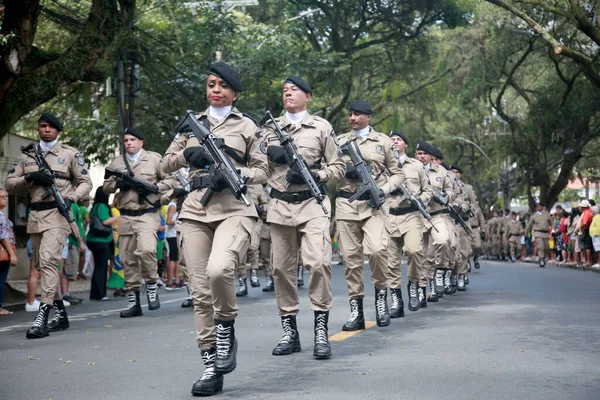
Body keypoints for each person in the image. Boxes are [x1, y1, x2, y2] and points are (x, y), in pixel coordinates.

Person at [162, 61, 268, 397]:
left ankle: (226, 326)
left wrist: (239, 175)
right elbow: (164, 163)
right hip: (195, 209)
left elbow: (263, 169)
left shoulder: (248, 126)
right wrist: (186, 156)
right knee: (199, 291)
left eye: (222, 85)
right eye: (210, 84)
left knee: (219, 270)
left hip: (234, 208)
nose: (215, 90)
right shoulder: (190, 127)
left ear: (235, 93)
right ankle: (210, 364)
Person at [262, 75, 345, 361]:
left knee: (318, 262)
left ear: (307, 96)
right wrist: (268, 154)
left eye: (294, 90)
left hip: (313, 203)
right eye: (284, 90)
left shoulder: (321, 127)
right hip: (280, 205)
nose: (288, 94)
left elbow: (338, 166)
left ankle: (320, 329)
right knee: (281, 270)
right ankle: (290, 331)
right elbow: (256, 165)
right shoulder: (269, 129)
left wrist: (317, 174)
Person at [5, 112, 92, 339]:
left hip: (58, 214)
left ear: (57, 131)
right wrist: (30, 179)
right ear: (38, 129)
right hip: (36, 216)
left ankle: (42, 316)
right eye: (42, 126)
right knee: (42, 266)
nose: (46, 130)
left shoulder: (69, 153)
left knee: (48, 260)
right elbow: (9, 184)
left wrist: (72, 198)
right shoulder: (27, 156)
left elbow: (85, 182)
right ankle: (61, 314)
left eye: (50, 127)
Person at [335, 102, 403, 331]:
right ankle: (357, 312)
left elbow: (398, 174)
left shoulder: (383, 142)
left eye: (357, 114)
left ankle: (381, 299)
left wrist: (382, 190)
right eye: (350, 114)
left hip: (374, 205)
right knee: (351, 260)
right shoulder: (339, 141)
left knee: (376, 250)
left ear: (369, 117)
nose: (352, 118)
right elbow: (330, 169)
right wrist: (345, 170)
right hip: (346, 203)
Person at [103, 127, 171, 318]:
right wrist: (118, 184)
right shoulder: (117, 162)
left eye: (133, 140)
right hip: (125, 216)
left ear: (141, 142)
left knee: (147, 249)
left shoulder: (154, 159)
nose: (129, 143)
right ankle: (134, 301)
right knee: (127, 259)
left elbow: (171, 182)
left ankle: (151, 283)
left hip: (147, 214)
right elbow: (106, 187)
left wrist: (153, 188)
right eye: (126, 140)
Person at [385, 130, 431, 315]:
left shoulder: (416, 166)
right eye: (392, 140)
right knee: (390, 261)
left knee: (414, 250)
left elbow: (427, 190)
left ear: (406, 145)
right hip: (389, 215)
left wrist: (420, 200)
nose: (395, 142)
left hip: (411, 215)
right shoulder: (382, 164)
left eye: (398, 140)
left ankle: (413, 284)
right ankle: (396, 299)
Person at [87, 187, 119, 300]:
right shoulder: (102, 206)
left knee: (98, 267)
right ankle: (100, 293)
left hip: (93, 239)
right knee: (101, 267)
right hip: (101, 240)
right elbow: (105, 221)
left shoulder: (95, 206)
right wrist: (118, 216)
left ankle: (95, 293)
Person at [0, 188, 17, 316]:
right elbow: (3, 236)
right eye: (2, 197)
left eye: (6, 196)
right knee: (1, 279)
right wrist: (12, 254)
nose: (6, 198)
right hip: (3, 251)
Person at [528, 202, 552, 267]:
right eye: (538, 206)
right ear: (536, 208)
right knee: (540, 246)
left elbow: (551, 223)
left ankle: (543, 258)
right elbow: (529, 225)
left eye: (540, 206)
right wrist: (527, 232)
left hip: (546, 233)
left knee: (546, 247)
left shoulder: (547, 215)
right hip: (538, 233)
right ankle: (541, 259)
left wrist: (553, 230)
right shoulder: (534, 216)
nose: (539, 207)